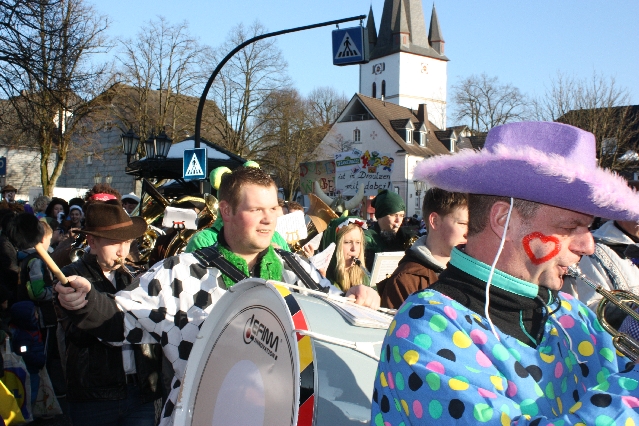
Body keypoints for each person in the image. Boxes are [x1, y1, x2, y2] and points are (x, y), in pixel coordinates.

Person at [55, 166, 380, 426]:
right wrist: (86, 301)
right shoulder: (179, 272)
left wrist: (361, 297)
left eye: (273, 208)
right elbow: (119, 320)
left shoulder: (298, 270)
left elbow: (336, 322)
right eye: (256, 209)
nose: (269, 218)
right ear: (226, 210)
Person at [370, 121, 639, 425]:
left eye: (588, 227)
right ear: (504, 220)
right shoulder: (425, 328)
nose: (588, 246)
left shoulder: (576, 315)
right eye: (570, 227)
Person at [56, 201, 162, 426]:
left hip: (140, 393)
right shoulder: (70, 276)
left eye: (127, 241)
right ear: (92, 242)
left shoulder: (137, 275)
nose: (123, 251)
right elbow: (78, 334)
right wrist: (88, 303)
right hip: (93, 398)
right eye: (115, 242)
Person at [377, 188, 468, 309]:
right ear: (434, 221)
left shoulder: (470, 273)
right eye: (463, 224)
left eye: (472, 225)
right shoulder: (405, 281)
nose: (468, 233)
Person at [365, 189, 417, 270]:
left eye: (401, 215)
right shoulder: (367, 238)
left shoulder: (405, 237)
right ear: (380, 216)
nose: (398, 220)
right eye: (393, 215)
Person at [320, 217, 370, 292]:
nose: (354, 248)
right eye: (348, 242)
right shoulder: (324, 276)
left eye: (358, 242)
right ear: (336, 246)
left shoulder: (364, 277)